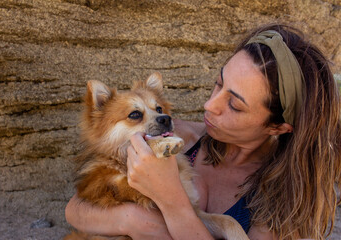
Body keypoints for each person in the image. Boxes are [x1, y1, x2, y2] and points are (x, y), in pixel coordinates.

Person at [65, 24, 341, 239]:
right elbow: (76, 209)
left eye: (234, 104)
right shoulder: (179, 138)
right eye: (218, 83)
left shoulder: (283, 194)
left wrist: (171, 202)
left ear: (277, 126)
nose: (209, 105)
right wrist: (133, 221)